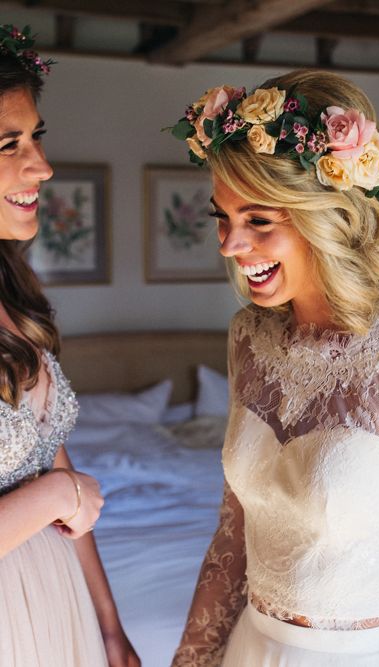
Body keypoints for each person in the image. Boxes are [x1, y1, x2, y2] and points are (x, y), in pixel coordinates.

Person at [168, 70, 379, 666]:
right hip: (248, 650)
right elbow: (230, 538)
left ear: (330, 215)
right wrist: (190, 659)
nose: (228, 244)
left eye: (259, 220)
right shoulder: (249, 336)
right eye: (222, 217)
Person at [0, 24, 139, 667]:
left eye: (36, 137)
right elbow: (60, 488)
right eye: (10, 143)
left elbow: (50, 456)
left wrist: (108, 627)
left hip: (57, 606)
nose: (43, 166)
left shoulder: (15, 295)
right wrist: (59, 498)